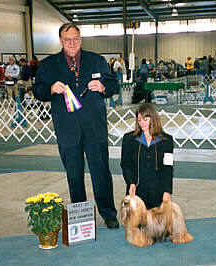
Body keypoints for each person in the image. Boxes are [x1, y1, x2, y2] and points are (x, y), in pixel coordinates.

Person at [33, 23, 119, 229]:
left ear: (81, 39)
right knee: (74, 174)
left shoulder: (96, 60)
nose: (72, 43)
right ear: (61, 41)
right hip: (67, 129)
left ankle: (108, 213)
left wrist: (104, 87)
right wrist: (51, 89)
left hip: (95, 128)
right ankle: (81, 217)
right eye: (68, 39)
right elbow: (37, 90)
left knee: (101, 172)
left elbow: (114, 84)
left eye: (76, 38)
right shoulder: (49, 64)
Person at [120, 103, 174, 209]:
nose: (142, 123)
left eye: (145, 119)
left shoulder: (167, 140)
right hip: (136, 192)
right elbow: (125, 164)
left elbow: (168, 168)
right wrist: (130, 183)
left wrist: (167, 191)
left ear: (153, 119)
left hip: (158, 193)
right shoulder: (129, 139)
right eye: (139, 120)